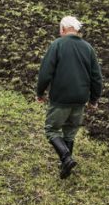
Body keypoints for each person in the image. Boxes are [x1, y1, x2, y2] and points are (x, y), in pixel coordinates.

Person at [36, 16, 102, 179]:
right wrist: (93, 99)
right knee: (70, 132)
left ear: (63, 29)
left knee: (51, 130)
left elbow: (45, 73)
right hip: (80, 98)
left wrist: (40, 92)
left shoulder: (57, 44)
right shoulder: (88, 48)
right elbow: (97, 77)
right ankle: (66, 168)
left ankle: (66, 157)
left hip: (61, 97)